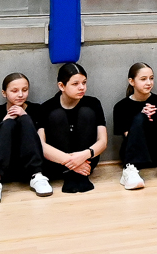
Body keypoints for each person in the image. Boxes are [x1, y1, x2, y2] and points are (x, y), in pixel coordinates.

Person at [38, 62, 109, 192]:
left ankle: (79, 175)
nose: (82, 87)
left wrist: (83, 156)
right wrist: (70, 161)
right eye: (75, 84)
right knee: (57, 115)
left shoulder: (93, 103)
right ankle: (70, 173)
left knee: (86, 112)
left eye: (84, 82)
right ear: (61, 86)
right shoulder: (46, 107)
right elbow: (41, 145)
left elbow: (103, 141)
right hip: (58, 162)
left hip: (86, 161)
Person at [113, 62, 157, 189]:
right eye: (143, 79)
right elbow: (128, 136)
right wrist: (141, 116)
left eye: (151, 78)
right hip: (135, 154)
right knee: (140, 117)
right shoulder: (121, 106)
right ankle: (129, 169)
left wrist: (154, 115)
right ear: (132, 81)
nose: (149, 83)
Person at [0, 72, 50, 203]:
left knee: (25, 119)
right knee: (9, 123)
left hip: (30, 167)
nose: (20, 94)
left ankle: (37, 176)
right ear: (4, 93)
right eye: (14, 91)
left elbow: (41, 143)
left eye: (24, 90)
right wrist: (5, 120)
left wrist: (25, 117)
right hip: (3, 167)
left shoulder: (37, 109)